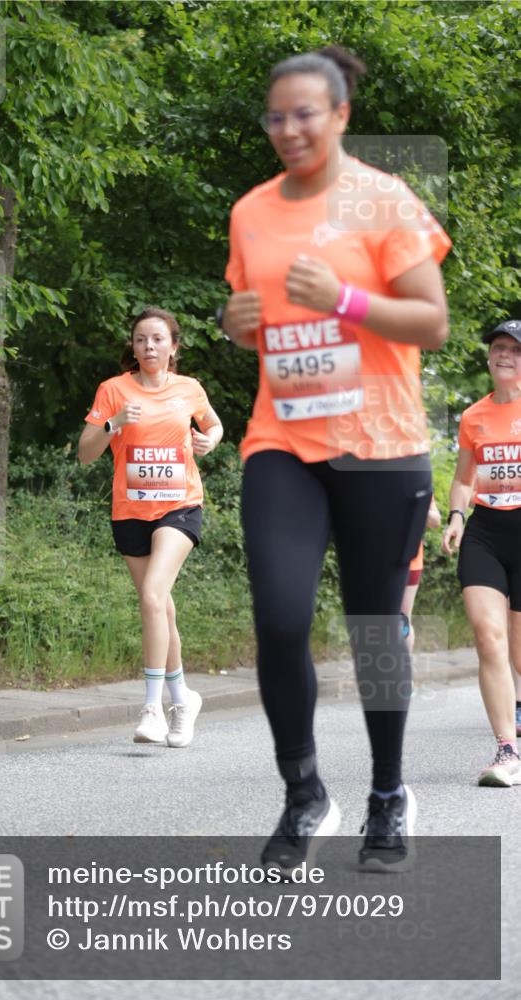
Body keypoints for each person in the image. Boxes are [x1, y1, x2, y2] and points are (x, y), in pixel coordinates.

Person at [220, 46, 451, 873]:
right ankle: (303, 791)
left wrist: (345, 299)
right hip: (282, 438)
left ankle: (387, 793)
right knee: (280, 618)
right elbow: (253, 315)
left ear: (341, 114)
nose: (287, 129)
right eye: (274, 116)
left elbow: (431, 322)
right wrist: (235, 323)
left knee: (373, 629)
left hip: (380, 445)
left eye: (305, 114)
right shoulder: (250, 212)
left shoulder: (384, 201)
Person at [78, 308, 223, 747]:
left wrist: (209, 440)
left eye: (158, 339)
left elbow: (213, 424)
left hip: (179, 507)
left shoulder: (189, 388)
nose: (149, 347)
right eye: (141, 339)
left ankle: (152, 708)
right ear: (133, 346)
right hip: (130, 512)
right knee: (161, 608)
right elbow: (85, 454)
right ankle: (183, 700)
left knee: (153, 596)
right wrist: (114, 423)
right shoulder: (113, 390)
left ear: (173, 346)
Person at [442, 317, 521, 787]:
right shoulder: (474, 416)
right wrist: (456, 516)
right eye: (498, 347)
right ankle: (507, 749)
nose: (504, 355)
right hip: (485, 532)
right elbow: (463, 478)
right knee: (489, 636)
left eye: (514, 349)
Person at [400, 496, 441, 653]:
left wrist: (417, 507)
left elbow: (436, 521)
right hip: (378, 558)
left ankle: (405, 667)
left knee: (402, 618)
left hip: (411, 560)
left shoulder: (417, 486)